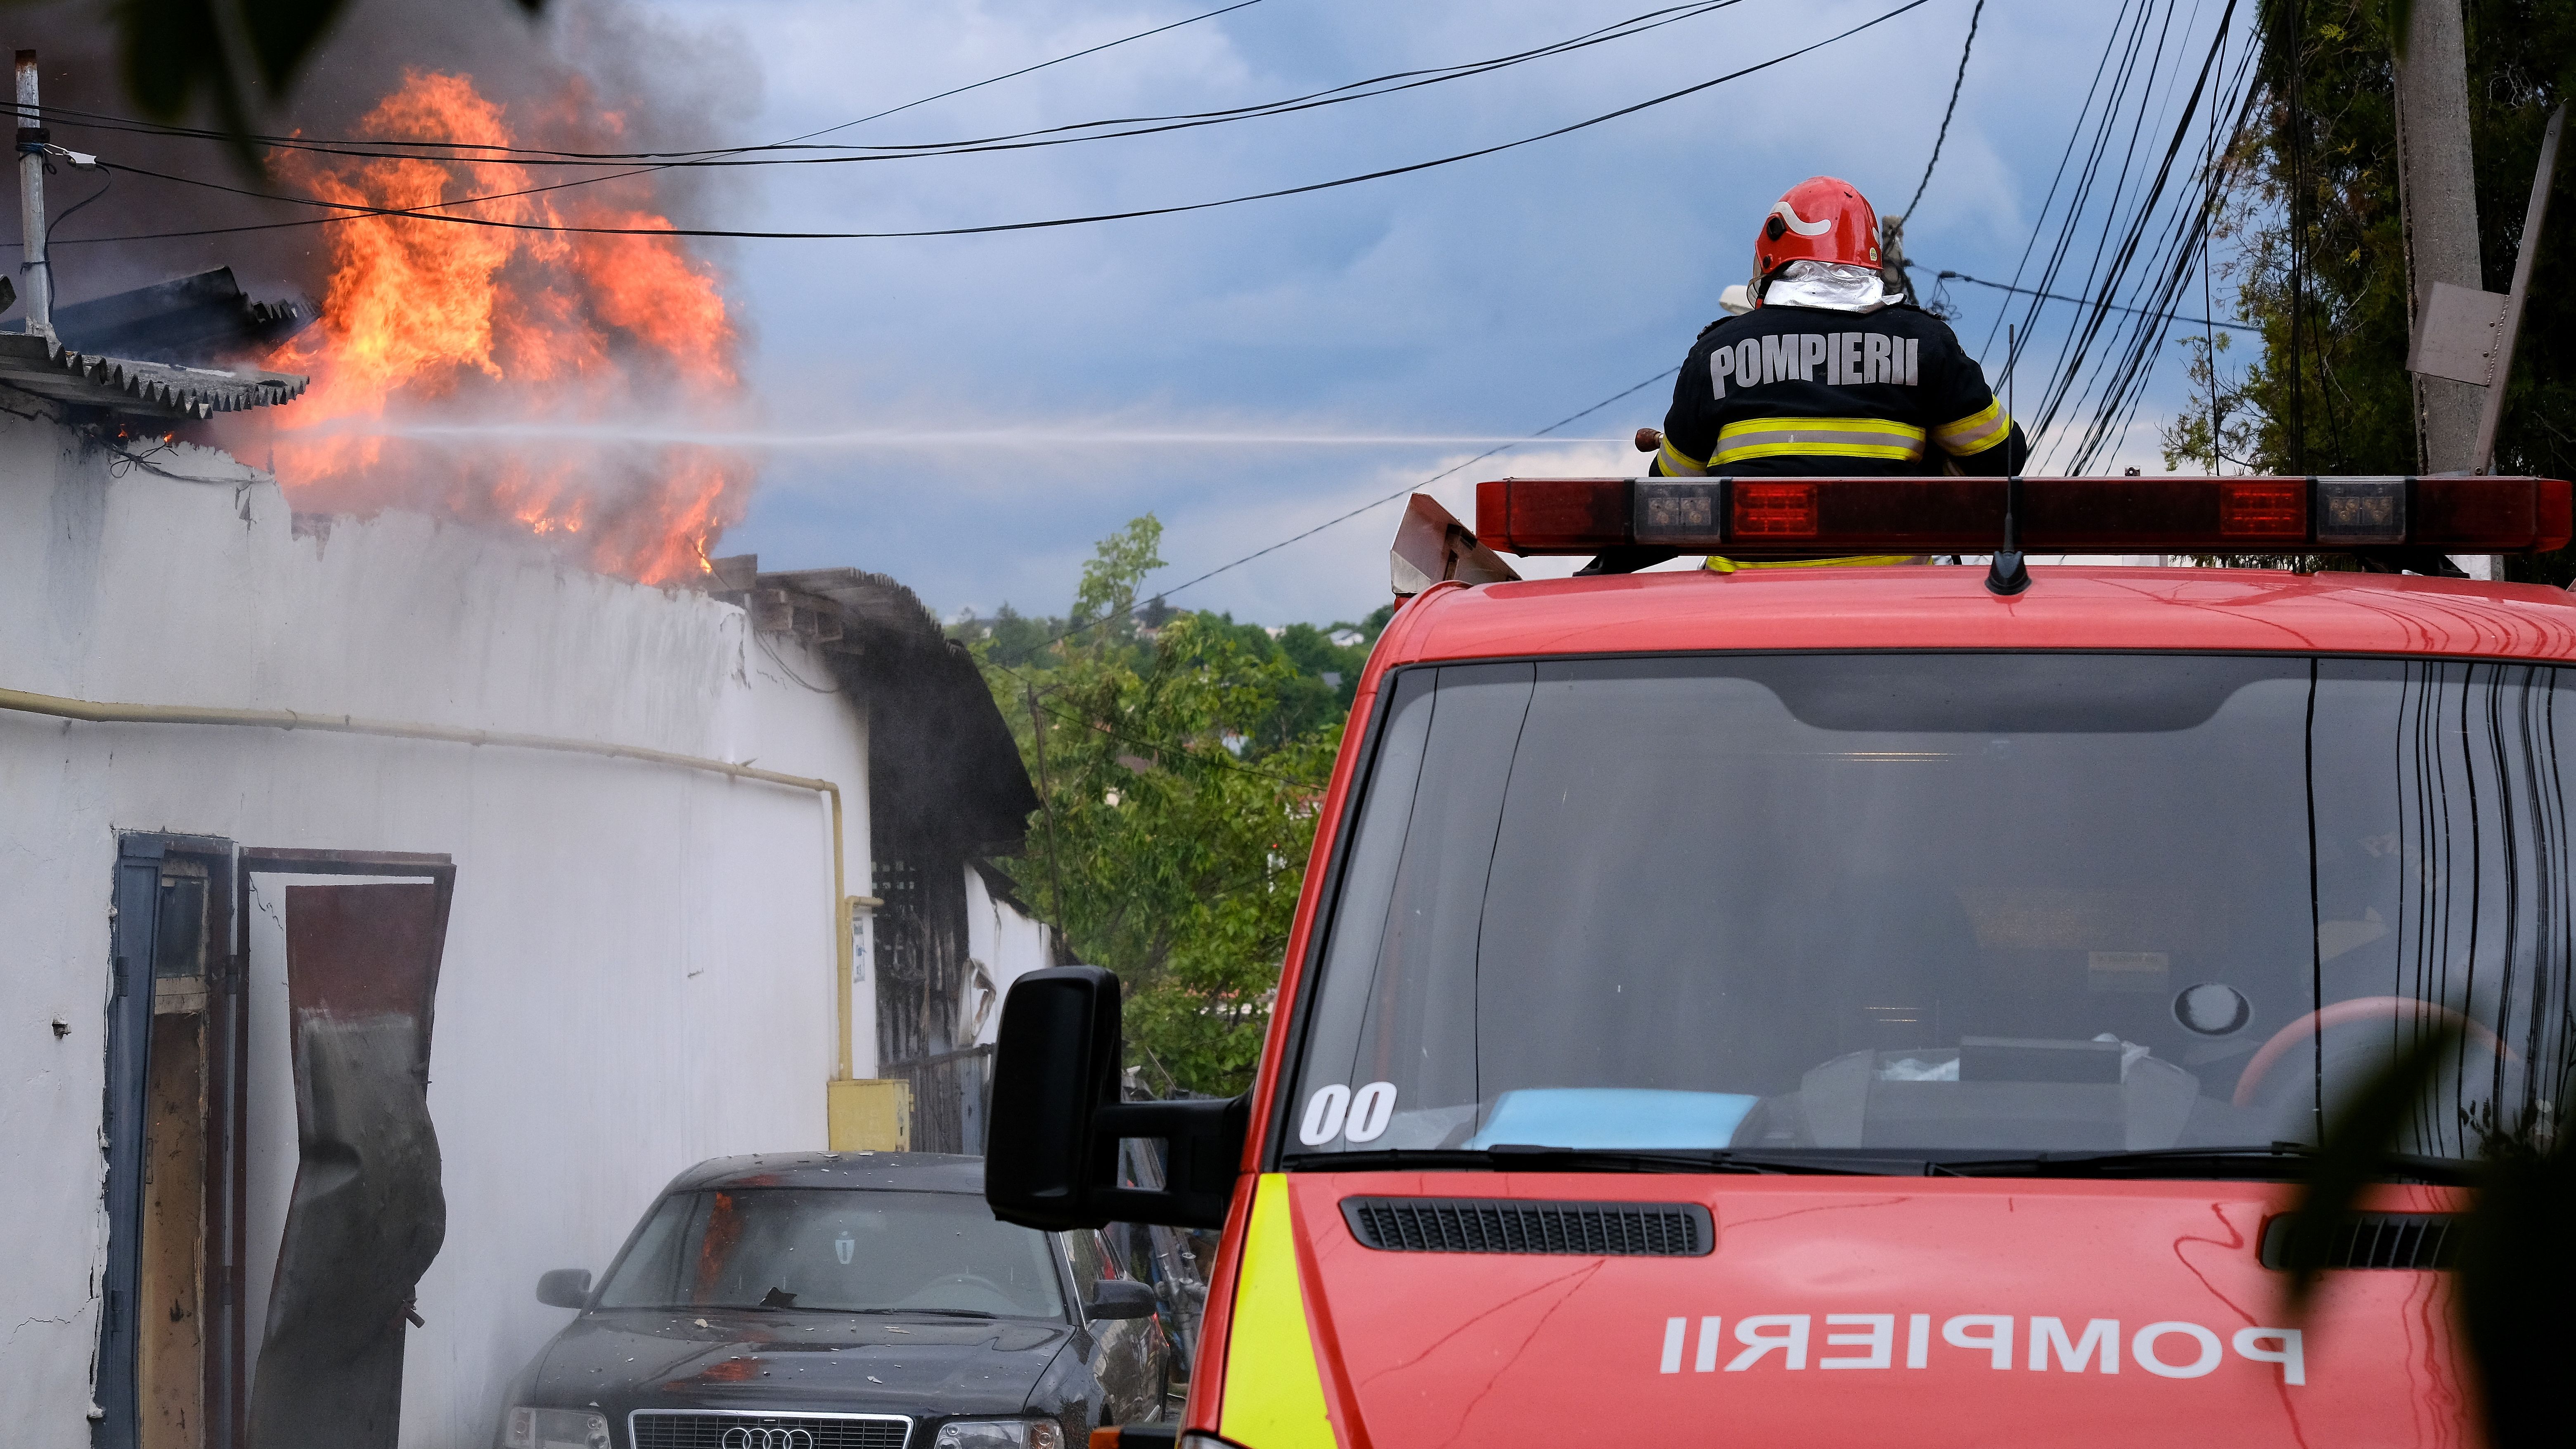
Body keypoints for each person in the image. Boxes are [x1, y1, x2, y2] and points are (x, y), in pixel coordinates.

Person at [1585, 176, 2030, 575]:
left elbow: (1668, 502)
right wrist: (1925, 471)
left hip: (1742, 615)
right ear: (1871, 257)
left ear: (1771, 258)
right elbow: (2003, 455)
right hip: (1894, 610)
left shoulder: (1715, 353)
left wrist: (1600, 568)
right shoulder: (1927, 344)